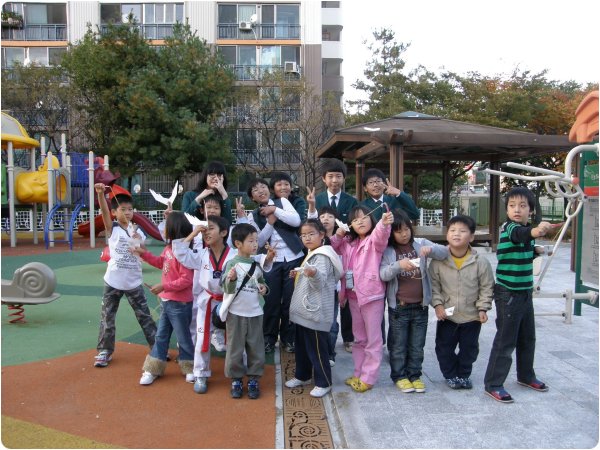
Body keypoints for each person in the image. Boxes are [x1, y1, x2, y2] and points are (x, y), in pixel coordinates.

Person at [484, 186, 552, 403]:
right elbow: (520, 236)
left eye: (523, 206)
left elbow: (524, 246)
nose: (517, 210)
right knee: (505, 340)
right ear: (507, 210)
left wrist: (537, 249)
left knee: (528, 337)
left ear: (530, 210)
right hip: (508, 294)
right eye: (512, 206)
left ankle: (525, 375)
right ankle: (493, 383)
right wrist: (537, 232)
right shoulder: (510, 228)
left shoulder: (526, 231)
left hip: (524, 293)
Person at [380, 209, 448, 393]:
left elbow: (445, 252)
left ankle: (415, 375)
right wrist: (398, 265)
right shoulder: (388, 251)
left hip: (421, 307)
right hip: (399, 308)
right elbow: (383, 274)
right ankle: (399, 376)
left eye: (406, 229)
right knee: (399, 346)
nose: (404, 234)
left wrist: (431, 249)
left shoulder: (420, 244)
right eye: (398, 231)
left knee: (417, 345)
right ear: (392, 234)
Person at [330, 205, 393, 392]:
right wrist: (339, 234)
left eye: (364, 217)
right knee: (359, 339)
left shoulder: (374, 241)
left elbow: (381, 235)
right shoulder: (348, 243)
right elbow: (332, 246)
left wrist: (384, 223)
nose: (361, 221)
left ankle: (369, 378)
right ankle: (358, 373)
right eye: (356, 220)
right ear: (351, 225)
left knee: (374, 339)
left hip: (371, 296)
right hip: (353, 296)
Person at [92, 183, 157, 368]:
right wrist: (100, 194)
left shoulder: (137, 231)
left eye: (130, 209)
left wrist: (138, 241)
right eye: (123, 209)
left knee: (144, 315)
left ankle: (157, 347)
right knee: (108, 317)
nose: (127, 212)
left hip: (134, 282)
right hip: (112, 281)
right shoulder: (112, 228)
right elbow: (104, 213)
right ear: (115, 213)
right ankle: (105, 351)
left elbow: (144, 252)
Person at [429, 214, 494, 390]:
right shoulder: (438, 261)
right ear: (447, 234)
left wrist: (483, 308)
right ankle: (450, 374)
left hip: (471, 316)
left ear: (471, 237)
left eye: (462, 231)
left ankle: (464, 374)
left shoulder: (480, 261)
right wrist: (438, 304)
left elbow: (487, 286)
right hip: (447, 316)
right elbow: (433, 286)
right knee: (444, 348)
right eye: (452, 230)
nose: (456, 234)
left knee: (469, 349)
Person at [134, 212, 195, 385]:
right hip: (167, 302)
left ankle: (190, 367)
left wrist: (164, 286)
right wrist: (144, 254)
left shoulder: (183, 252)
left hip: (180, 303)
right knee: (161, 336)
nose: (163, 230)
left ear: (174, 229)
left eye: (166, 227)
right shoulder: (169, 249)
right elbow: (161, 263)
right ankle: (153, 368)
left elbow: (186, 280)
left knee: (183, 337)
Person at [285, 219, 343, 398]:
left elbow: (321, 280)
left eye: (311, 234)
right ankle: (302, 375)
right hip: (306, 310)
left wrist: (313, 273)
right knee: (302, 346)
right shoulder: (313, 253)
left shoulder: (323, 255)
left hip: (314, 311)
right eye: (303, 235)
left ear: (322, 235)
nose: (307, 238)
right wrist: (302, 272)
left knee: (317, 349)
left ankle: (324, 382)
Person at [246, 178, 304, 354]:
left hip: (294, 257)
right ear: (253, 197)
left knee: (290, 300)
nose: (260, 190)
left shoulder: (282, 202)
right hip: (271, 261)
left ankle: (289, 339)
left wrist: (275, 210)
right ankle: (269, 338)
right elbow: (259, 241)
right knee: (271, 301)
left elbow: (295, 221)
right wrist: (270, 224)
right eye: (255, 190)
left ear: (269, 189)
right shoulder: (253, 216)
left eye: (263, 186)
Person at [307, 159, 357, 352]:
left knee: (346, 299)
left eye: (338, 176)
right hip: (322, 256)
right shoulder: (316, 200)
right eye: (331, 176)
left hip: (344, 255)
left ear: (344, 178)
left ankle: (348, 337)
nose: (335, 180)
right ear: (324, 179)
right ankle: (325, 340)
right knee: (328, 301)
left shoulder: (351, 201)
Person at [219, 223, 271, 399]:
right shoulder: (232, 264)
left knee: (256, 349)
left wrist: (264, 288)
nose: (256, 244)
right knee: (235, 348)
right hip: (236, 314)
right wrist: (231, 279)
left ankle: (254, 379)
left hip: (255, 313)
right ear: (238, 244)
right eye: (251, 241)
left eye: (256, 240)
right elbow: (225, 286)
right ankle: (236, 379)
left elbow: (262, 283)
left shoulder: (256, 265)